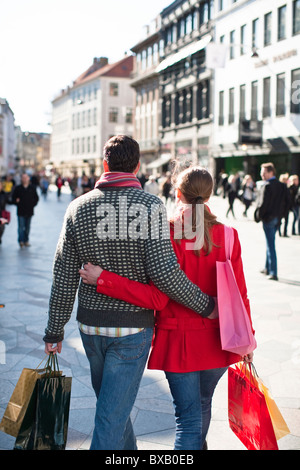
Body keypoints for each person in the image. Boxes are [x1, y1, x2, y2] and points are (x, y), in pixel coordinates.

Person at [43, 135, 216, 451]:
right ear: (137, 166)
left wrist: (54, 330)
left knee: (113, 409)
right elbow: (165, 274)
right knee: (111, 416)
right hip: (132, 328)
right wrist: (206, 305)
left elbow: (64, 275)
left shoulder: (77, 208)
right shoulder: (150, 206)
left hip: (91, 326)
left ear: (104, 163)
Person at [79, 165, 254, 451]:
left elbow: (154, 297)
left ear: (177, 193)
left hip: (178, 341)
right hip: (218, 339)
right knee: (201, 407)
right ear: (209, 195)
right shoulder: (229, 236)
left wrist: (105, 279)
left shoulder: (165, 234)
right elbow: (239, 295)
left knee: (187, 418)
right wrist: (248, 339)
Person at [254, 162, 289, 280]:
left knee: (271, 245)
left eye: (264, 173)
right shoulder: (282, 185)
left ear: (271, 172)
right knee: (270, 242)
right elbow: (287, 203)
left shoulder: (267, 186)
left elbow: (263, 204)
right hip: (277, 219)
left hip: (269, 219)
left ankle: (273, 272)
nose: (261, 175)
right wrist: (282, 216)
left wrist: (258, 216)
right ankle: (267, 267)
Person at [12, 173, 39, 248]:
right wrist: (16, 201)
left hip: (29, 211)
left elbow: (36, 198)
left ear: (28, 178)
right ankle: (21, 241)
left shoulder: (32, 188)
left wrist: (32, 205)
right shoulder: (18, 188)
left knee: (27, 227)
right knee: (21, 227)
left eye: (26, 177)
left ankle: (26, 240)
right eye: (23, 177)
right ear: (21, 179)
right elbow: (13, 199)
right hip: (20, 211)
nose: (24, 179)